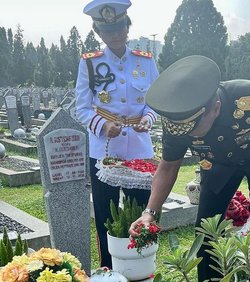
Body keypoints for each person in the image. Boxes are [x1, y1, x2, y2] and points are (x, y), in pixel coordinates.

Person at [128, 55, 250, 281]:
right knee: (206, 232)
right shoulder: (179, 122)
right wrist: (149, 213)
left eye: (193, 130)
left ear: (215, 108)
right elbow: (168, 167)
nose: (186, 135)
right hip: (218, 166)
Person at [75, 0, 159, 268]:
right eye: (108, 30)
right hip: (105, 151)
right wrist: (101, 125)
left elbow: (156, 100)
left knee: (142, 211)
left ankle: (142, 267)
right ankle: (108, 269)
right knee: (105, 216)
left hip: (139, 147)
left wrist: (147, 118)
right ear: (99, 33)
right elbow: (82, 108)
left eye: (119, 28)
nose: (115, 34)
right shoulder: (90, 63)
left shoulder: (145, 61)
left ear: (127, 27)